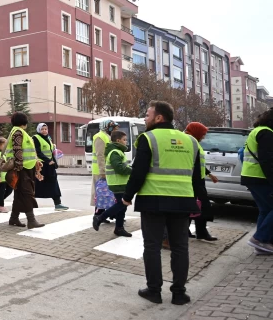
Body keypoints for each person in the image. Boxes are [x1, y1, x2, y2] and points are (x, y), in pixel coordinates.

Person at [122, 101, 202, 306]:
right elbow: (196, 177)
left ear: (159, 118)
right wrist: (197, 200)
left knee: (152, 247)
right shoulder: (191, 141)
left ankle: (154, 291)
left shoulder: (148, 138)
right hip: (183, 201)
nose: (145, 118)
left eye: (148, 115)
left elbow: (138, 172)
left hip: (154, 200)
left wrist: (127, 195)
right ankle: (179, 293)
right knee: (180, 248)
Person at [241, 108, 273, 254]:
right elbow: (268, 161)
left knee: (265, 210)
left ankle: (261, 245)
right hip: (260, 177)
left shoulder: (258, 131)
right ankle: (259, 239)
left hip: (252, 176)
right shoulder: (266, 133)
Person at [7, 112, 45, 229]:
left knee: (19, 194)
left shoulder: (20, 132)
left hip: (26, 167)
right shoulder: (18, 132)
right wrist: (18, 169)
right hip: (22, 168)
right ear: (24, 121)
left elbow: (27, 152)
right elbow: (17, 150)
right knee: (27, 194)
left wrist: (36, 161)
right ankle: (31, 220)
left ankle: (14, 218)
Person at [92, 130, 134, 237]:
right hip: (118, 183)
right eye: (124, 140)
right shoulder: (115, 152)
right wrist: (133, 170)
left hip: (120, 183)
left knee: (122, 206)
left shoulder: (118, 151)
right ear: (118, 140)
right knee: (122, 203)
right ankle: (100, 217)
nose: (126, 142)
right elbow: (119, 168)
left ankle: (119, 228)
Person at [184, 122, 218, 241]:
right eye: (202, 134)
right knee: (200, 207)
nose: (204, 137)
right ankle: (199, 232)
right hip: (193, 181)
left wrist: (209, 174)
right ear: (196, 132)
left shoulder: (193, 142)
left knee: (195, 207)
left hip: (197, 180)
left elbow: (199, 163)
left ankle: (191, 231)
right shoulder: (190, 142)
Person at [33, 123, 68, 211]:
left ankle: (58, 203)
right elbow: (38, 152)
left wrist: (54, 161)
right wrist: (48, 161)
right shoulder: (36, 138)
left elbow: (51, 151)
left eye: (46, 129)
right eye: (42, 129)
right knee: (36, 184)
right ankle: (30, 201)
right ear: (38, 130)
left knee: (53, 183)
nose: (44, 131)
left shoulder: (48, 138)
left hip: (50, 165)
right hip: (41, 165)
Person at [92, 120, 118, 219]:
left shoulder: (108, 136)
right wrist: (103, 171)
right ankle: (98, 215)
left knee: (107, 193)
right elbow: (100, 155)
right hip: (100, 171)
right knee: (101, 193)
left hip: (107, 169)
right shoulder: (100, 137)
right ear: (106, 127)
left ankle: (105, 215)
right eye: (113, 127)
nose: (115, 129)